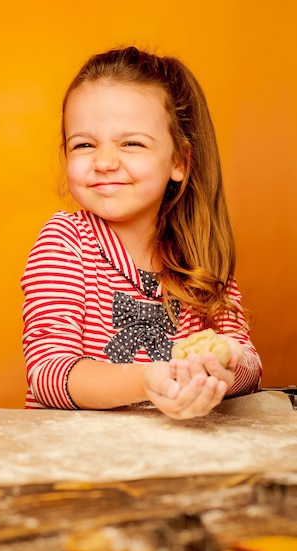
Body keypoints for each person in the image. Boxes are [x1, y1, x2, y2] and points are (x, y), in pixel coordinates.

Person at [21, 46, 262, 419]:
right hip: (79, 462)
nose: (104, 162)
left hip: (181, 463)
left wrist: (224, 360)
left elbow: (250, 368)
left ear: (179, 161)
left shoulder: (199, 254)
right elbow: (48, 374)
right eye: (84, 144)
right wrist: (147, 380)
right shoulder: (65, 241)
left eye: (131, 143)